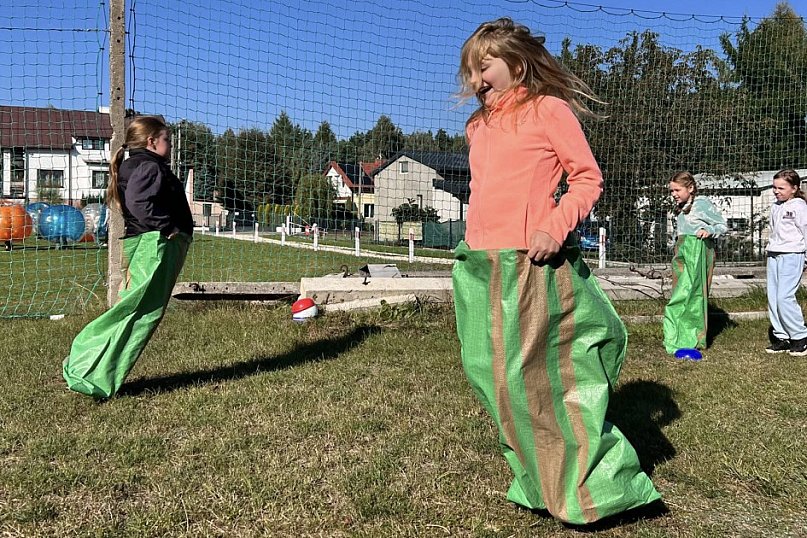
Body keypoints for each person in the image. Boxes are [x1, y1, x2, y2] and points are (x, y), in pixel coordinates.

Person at [452, 17, 660, 525]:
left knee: (543, 376)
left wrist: (554, 223)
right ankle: (538, 479)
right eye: (469, 71)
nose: (476, 80)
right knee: (493, 378)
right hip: (481, 264)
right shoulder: (476, 126)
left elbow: (586, 178)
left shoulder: (548, 110)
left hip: (531, 261)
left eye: (485, 67)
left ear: (517, 64)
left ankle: (595, 487)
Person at [63, 116, 194, 398]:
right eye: (166, 140)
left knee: (137, 312)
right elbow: (137, 202)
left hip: (149, 244)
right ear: (151, 141)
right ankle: (89, 370)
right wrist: (167, 227)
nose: (169, 146)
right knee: (137, 313)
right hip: (155, 246)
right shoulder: (149, 166)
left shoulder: (135, 163)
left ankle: (97, 372)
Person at [662, 171, 727, 355]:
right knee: (679, 292)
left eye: (677, 190)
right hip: (682, 251)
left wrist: (709, 230)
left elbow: (722, 225)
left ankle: (693, 336)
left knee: (694, 292)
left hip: (698, 251)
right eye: (671, 191)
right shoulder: (682, 207)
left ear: (690, 188)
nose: (673, 194)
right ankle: (676, 334)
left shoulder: (702, 204)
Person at [765, 169, 807, 356]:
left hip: (792, 254)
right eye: (774, 187)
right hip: (774, 254)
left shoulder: (799, 206)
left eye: (781, 188)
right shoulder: (775, 206)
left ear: (794, 188)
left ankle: (800, 337)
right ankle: (782, 336)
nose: (776, 191)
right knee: (773, 297)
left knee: (784, 297)